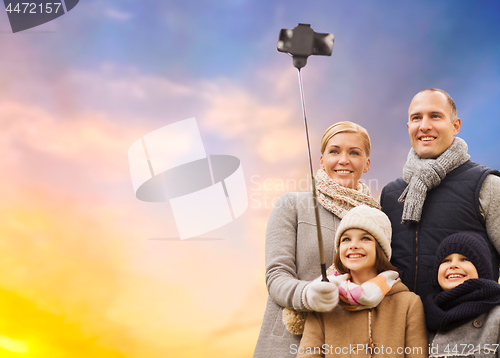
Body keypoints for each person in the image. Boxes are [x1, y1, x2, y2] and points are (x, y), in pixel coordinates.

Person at [253, 121, 380, 357]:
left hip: (350, 345)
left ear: (367, 163)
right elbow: (276, 275)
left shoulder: (377, 219)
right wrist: (307, 294)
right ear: (322, 160)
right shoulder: (292, 205)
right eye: (334, 151)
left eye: (354, 152)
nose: (344, 160)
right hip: (290, 344)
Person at [380, 88, 500, 302]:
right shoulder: (391, 194)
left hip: (469, 328)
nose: (424, 125)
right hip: (404, 330)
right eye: (417, 118)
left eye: (435, 116)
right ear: (409, 127)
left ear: (455, 126)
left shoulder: (487, 185)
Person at [297, 205, 427, 358]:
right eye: (346, 239)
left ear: (381, 248)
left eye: (365, 238)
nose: (353, 245)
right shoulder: (324, 299)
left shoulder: (409, 303)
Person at [425, 232, 500, 358]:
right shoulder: (427, 316)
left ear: (482, 269)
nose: (453, 265)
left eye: (464, 259)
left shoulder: (496, 315)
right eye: (446, 260)